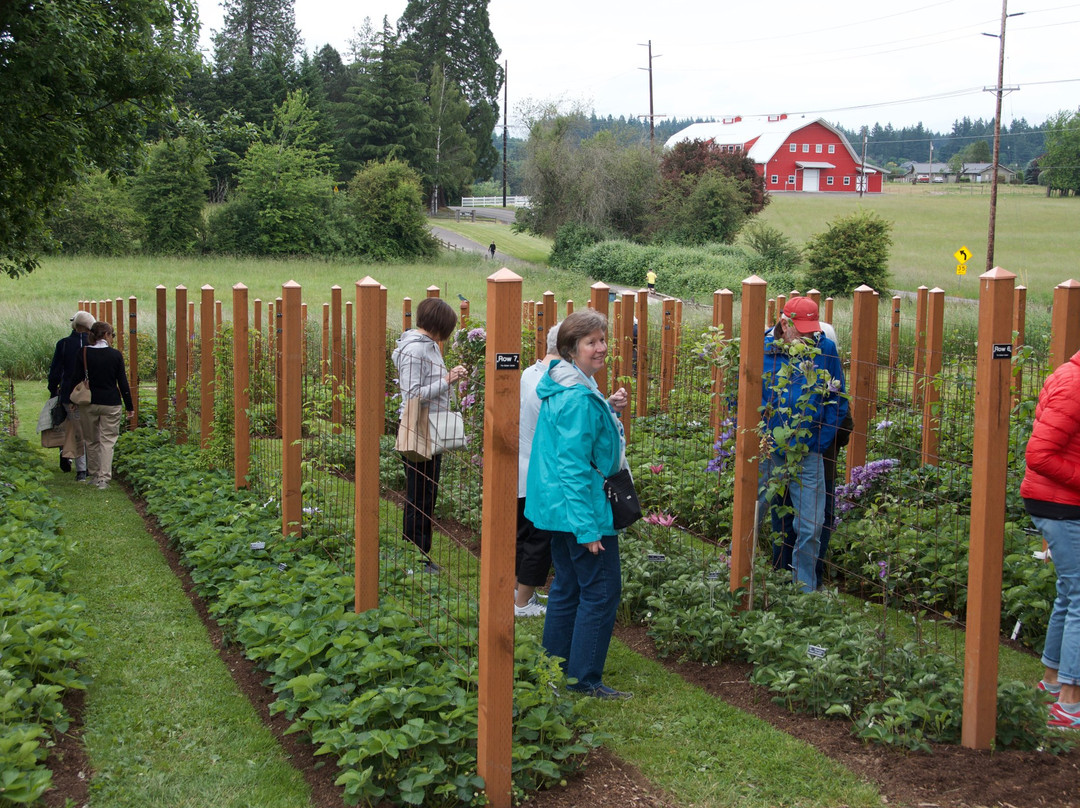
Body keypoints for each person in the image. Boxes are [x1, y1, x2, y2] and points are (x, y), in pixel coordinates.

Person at [525, 309, 632, 700]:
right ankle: (585, 678)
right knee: (601, 592)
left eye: (603, 339)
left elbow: (575, 446)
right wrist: (587, 529)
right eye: (592, 342)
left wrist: (608, 409)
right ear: (571, 349)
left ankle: (553, 667)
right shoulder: (576, 398)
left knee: (568, 587)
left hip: (557, 510)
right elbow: (572, 467)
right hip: (582, 511)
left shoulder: (565, 385)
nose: (601, 348)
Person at [759, 297, 848, 593]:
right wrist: (762, 436)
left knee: (811, 525)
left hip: (808, 452)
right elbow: (742, 398)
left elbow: (838, 401)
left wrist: (818, 444)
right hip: (768, 450)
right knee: (762, 515)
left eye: (814, 330)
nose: (811, 337)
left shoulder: (825, 349)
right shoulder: (762, 350)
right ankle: (746, 575)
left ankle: (804, 592)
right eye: (804, 331)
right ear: (785, 324)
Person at [1021, 348, 1080, 730]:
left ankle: (1052, 682)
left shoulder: (1069, 373)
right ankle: (1070, 703)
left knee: (1068, 593)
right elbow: (1039, 454)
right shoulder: (1075, 383)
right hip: (1061, 504)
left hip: (1059, 501)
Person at [391, 298, 466, 572]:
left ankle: (417, 553)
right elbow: (412, 396)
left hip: (431, 425)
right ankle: (414, 556)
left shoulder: (429, 346)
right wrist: (448, 380)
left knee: (426, 492)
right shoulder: (416, 350)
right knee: (420, 494)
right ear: (440, 325)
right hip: (419, 426)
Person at [515, 323, 561, 618]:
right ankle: (523, 603)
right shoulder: (553, 381)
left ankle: (518, 591)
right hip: (541, 471)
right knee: (539, 539)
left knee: (523, 533)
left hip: (521, 466)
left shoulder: (529, 372)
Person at [82, 321, 134, 490]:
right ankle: (104, 478)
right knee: (108, 441)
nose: (112, 338)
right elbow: (123, 382)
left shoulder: (83, 353)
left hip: (89, 402)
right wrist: (129, 405)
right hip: (111, 402)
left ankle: (95, 474)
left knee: (91, 440)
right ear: (106, 335)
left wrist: (70, 400)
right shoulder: (115, 355)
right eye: (112, 335)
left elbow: (76, 377)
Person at [48, 310, 94, 481]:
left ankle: (81, 469)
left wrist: (53, 389)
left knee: (77, 430)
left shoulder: (64, 344)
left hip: (69, 393)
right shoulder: (93, 345)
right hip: (90, 393)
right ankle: (91, 466)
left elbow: (55, 370)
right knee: (91, 429)